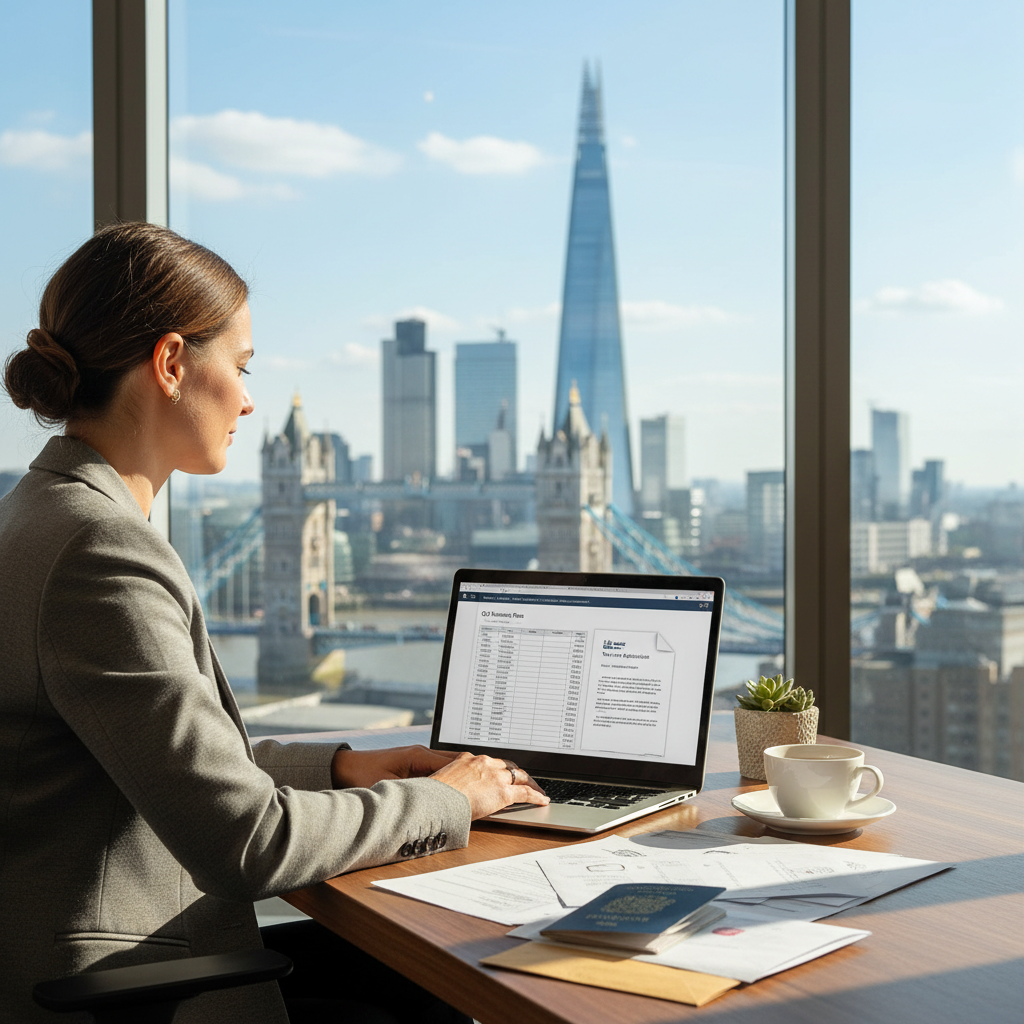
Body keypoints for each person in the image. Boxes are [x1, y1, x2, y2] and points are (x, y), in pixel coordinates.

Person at [0, 222, 548, 1024]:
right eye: (243, 366)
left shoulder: (36, 512)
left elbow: (160, 756)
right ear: (172, 363)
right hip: (129, 989)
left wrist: (341, 766)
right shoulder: (102, 549)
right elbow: (247, 842)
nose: (250, 400)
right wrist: (451, 801)